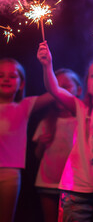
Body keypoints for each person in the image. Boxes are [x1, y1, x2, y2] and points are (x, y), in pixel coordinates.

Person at [37, 41, 93, 222]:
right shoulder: (81, 108)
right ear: (86, 82)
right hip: (76, 189)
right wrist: (47, 65)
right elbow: (54, 89)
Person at [0, 58, 53, 222]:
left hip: (10, 174)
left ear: (21, 84)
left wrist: (47, 65)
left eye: (13, 76)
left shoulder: (23, 106)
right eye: (1, 75)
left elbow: (54, 92)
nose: (6, 79)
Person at [32, 68, 82, 222]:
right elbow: (37, 155)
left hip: (73, 184)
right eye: (57, 87)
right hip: (47, 183)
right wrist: (41, 144)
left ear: (79, 90)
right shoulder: (47, 122)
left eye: (65, 87)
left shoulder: (82, 121)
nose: (59, 91)